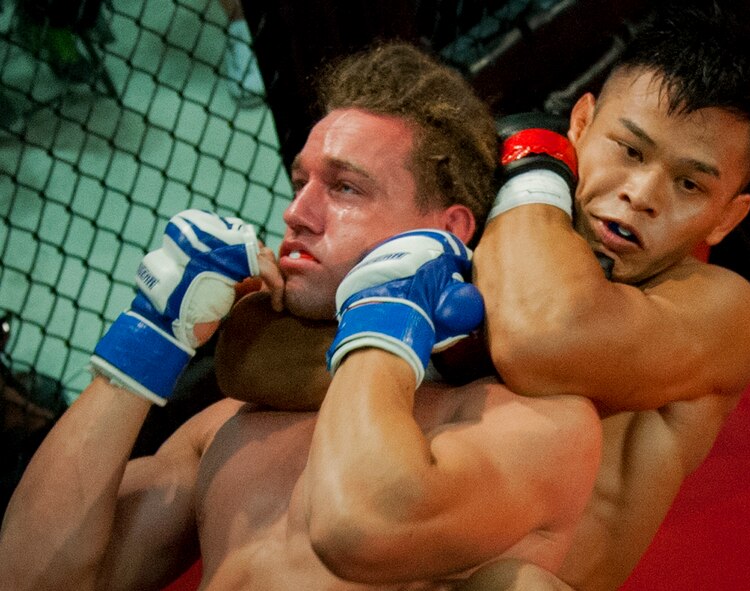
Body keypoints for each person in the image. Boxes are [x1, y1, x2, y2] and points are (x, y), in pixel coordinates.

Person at [0, 43, 602, 590]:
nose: (297, 212)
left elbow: (362, 528)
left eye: (344, 189)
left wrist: (388, 317)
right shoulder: (232, 428)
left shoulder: (520, 426)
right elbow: (28, 579)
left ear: (445, 231)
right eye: (299, 182)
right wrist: (152, 334)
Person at [470, 4, 750, 590]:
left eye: (690, 184)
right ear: (583, 122)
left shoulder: (725, 315)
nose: (641, 194)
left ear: (727, 218)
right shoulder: (498, 222)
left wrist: (535, 166)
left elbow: (540, 340)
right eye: (630, 151)